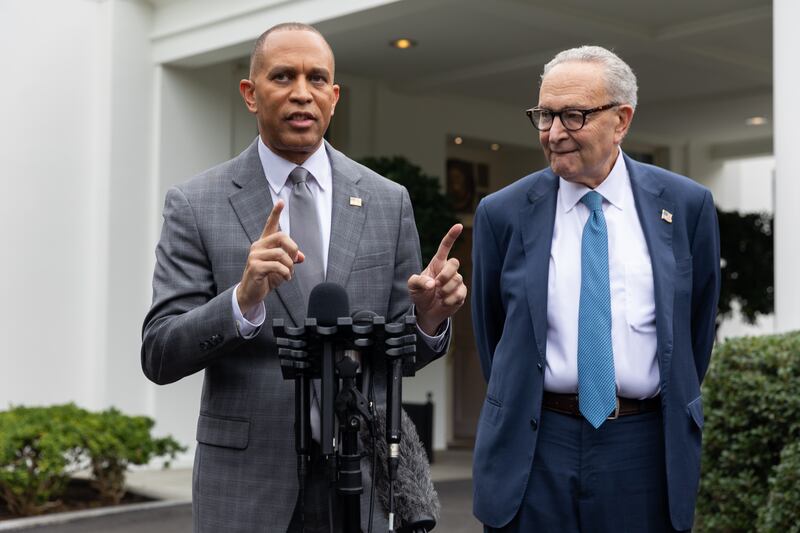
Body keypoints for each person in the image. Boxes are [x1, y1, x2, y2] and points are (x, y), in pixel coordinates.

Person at [141, 22, 466, 533]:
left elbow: (401, 356)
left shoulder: (386, 200)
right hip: (246, 485)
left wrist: (427, 321)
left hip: (360, 482)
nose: (301, 93)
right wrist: (242, 302)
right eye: (282, 76)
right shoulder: (196, 204)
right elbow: (159, 353)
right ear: (251, 94)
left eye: (317, 79)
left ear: (334, 97)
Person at [471, 46, 720, 532]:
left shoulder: (687, 205)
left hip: (644, 446)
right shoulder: (502, 213)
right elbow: (494, 336)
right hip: (536, 445)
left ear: (621, 120)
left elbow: (694, 332)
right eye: (545, 115)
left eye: (574, 115)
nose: (554, 133)